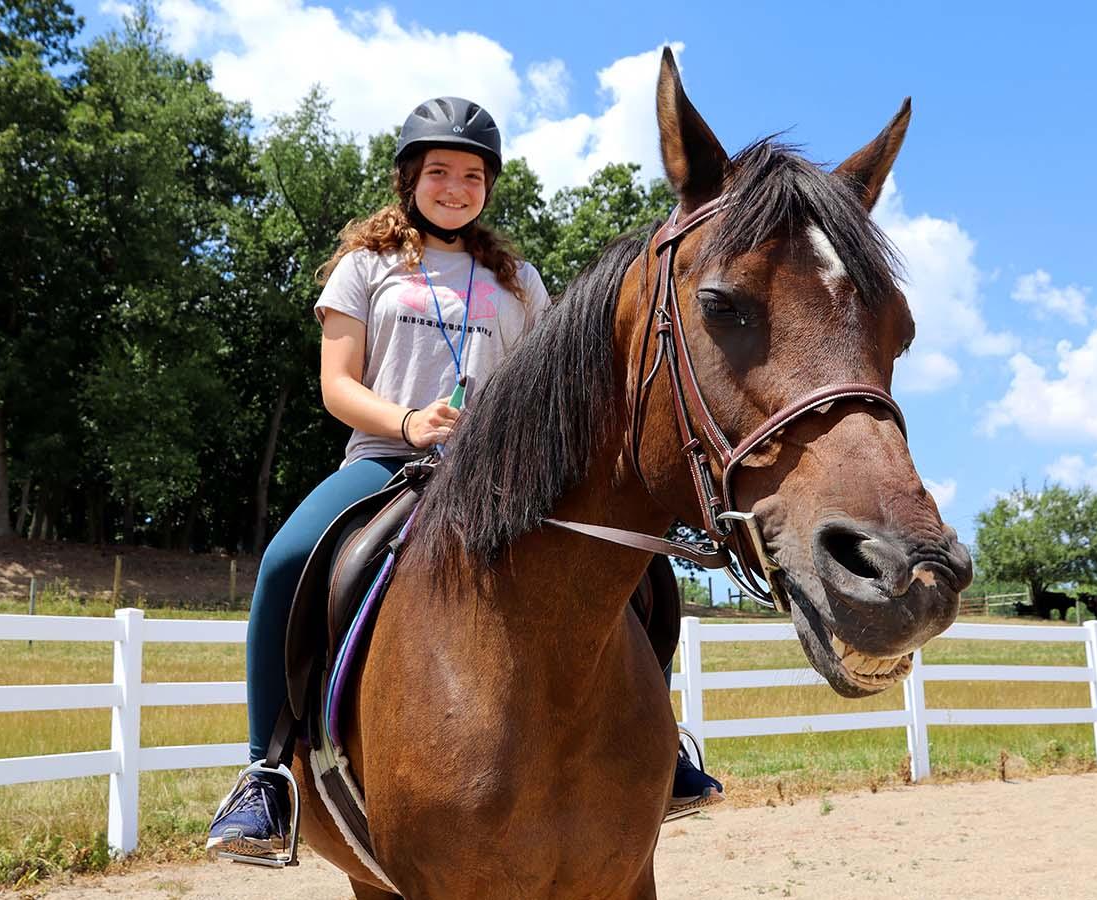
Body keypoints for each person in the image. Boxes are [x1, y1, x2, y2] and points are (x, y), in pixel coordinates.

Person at [206, 96, 718, 866]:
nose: (455, 187)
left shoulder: (517, 282)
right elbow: (336, 385)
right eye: (439, 171)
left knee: (641, 570)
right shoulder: (365, 268)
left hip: (503, 480)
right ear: (409, 177)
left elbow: (556, 385)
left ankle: (661, 747)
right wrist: (409, 424)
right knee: (286, 560)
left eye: (472, 175)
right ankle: (266, 772)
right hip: (385, 464)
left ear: (488, 186)